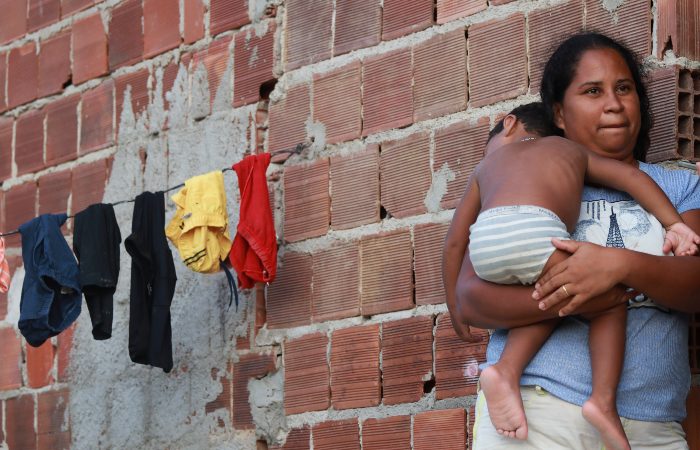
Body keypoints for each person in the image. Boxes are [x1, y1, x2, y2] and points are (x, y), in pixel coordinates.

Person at [443, 32, 700, 449]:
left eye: (624, 89)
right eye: (593, 91)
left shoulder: (679, 187)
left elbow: (696, 284)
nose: (613, 103)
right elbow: (471, 298)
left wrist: (619, 266)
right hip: (537, 415)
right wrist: (582, 294)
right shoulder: (535, 185)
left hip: (653, 426)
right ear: (559, 113)